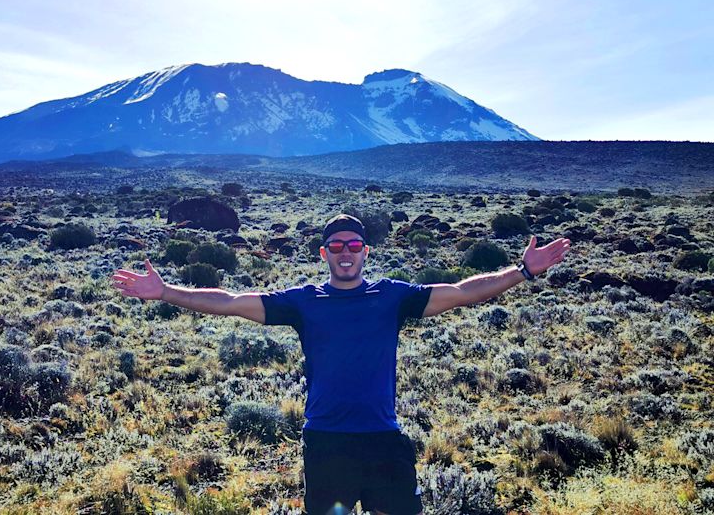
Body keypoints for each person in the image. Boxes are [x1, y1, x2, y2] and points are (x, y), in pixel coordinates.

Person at [111, 214, 571, 515]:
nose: (346, 252)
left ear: (365, 252)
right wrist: (167, 292)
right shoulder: (303, 302)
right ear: (324, 254)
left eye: (354, 245)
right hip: (327, 442)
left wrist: (522, 271)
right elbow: (232, 301)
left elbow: (463, 291)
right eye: (336, 246)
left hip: (383, 441)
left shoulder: (392, 296)